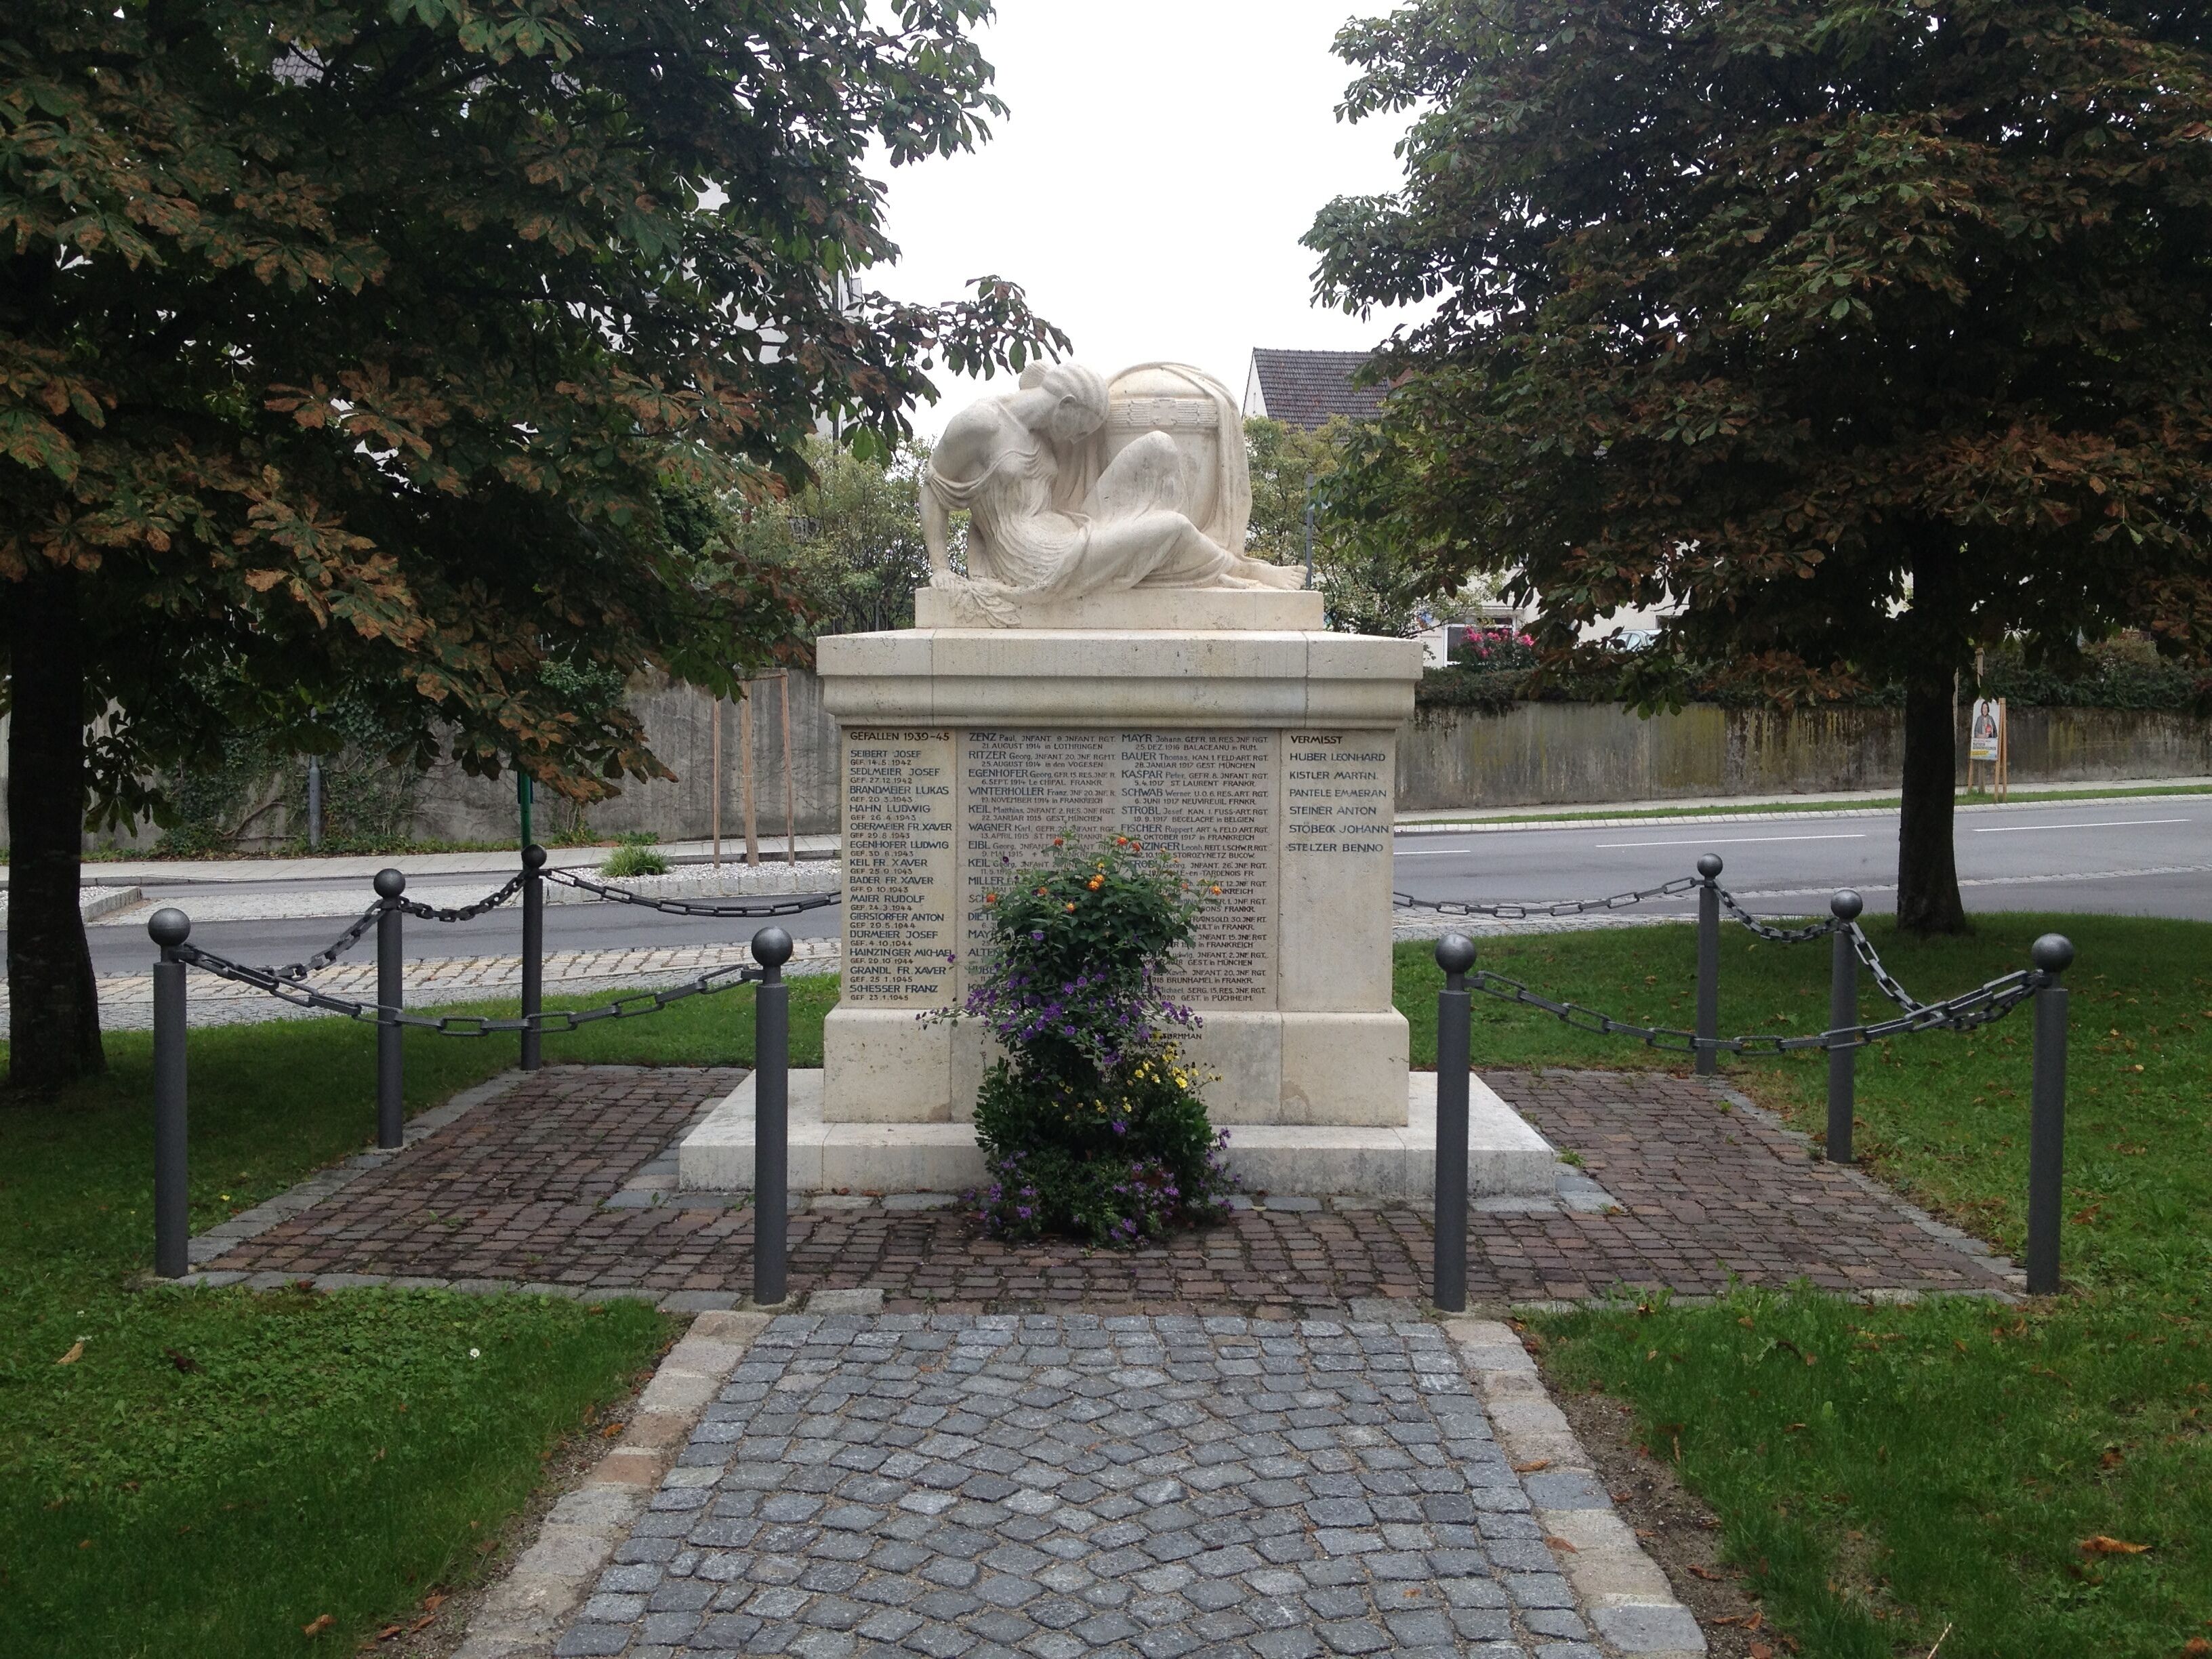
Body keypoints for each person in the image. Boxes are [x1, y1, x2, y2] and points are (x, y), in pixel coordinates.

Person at [920, 362, 1303, 621]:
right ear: (1066, 406)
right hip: (1031, 557)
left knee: (1159, 448)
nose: (1077, 440)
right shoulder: (982, 422)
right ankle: (1240, 569)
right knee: (1172, 526)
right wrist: (941, 570)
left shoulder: (1038, 432)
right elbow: (933, 489)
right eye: (1081, 429)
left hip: (1063, 528)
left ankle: (1167, 566)